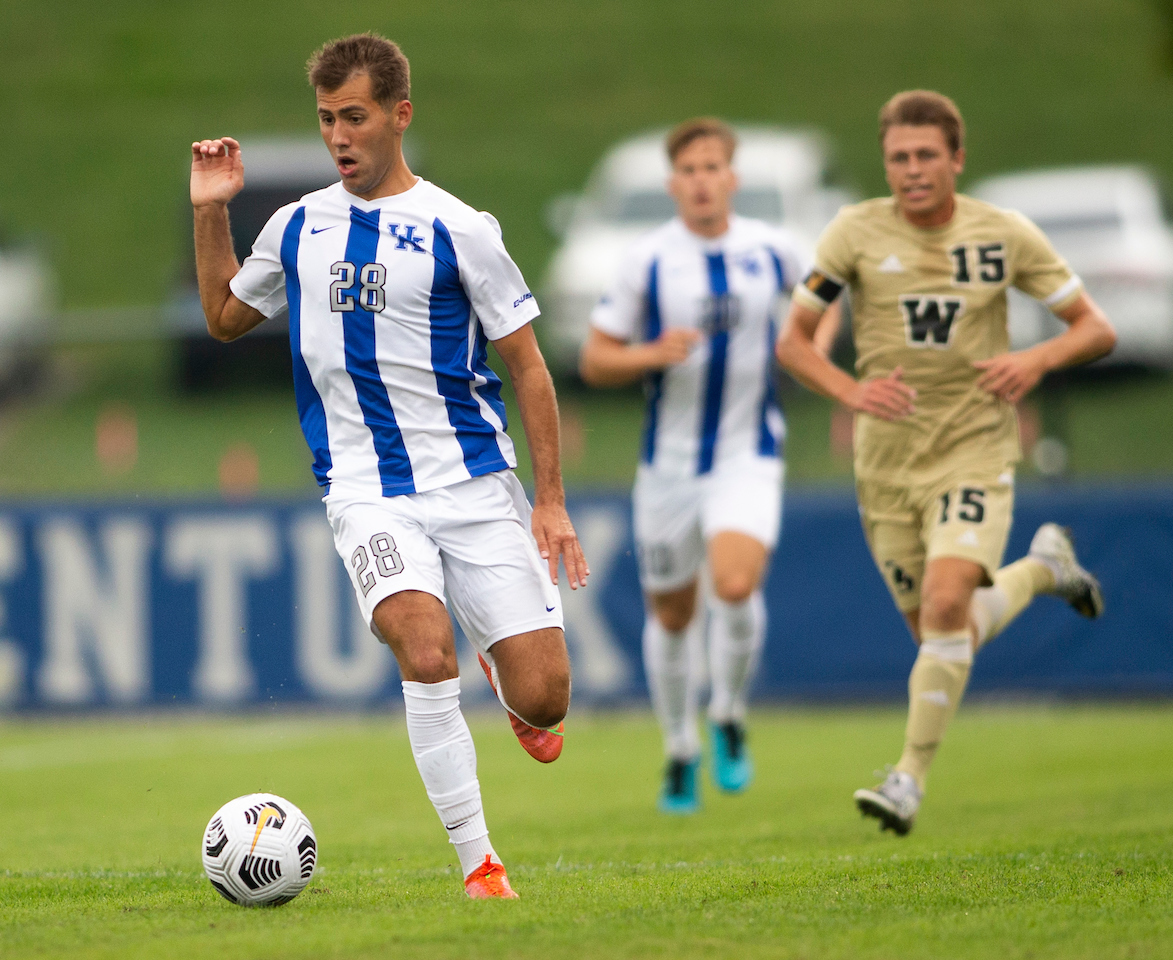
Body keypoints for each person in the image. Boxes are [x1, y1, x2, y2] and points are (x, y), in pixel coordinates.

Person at [190, 33, 589, 898]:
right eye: (328, 118)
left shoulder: (462, 230)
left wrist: (549, 502)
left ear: (399, 116)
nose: (340, 135)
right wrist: (211, 209)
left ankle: (505, 669)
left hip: (475, 483)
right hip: (366, 492)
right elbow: (224, 316)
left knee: (548, 696)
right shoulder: (296, 225)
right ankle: (480, 863)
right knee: (422, 645)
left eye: (356, 117)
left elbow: (528, 366)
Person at [776, 90, 1116, 835]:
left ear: (956, 159)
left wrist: (1036, 359)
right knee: (945, 630)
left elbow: (1095, 329)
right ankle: (1043, 570)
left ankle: (906, 781)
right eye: (899, 157)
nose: (912, 169)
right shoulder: (853, 231)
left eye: (927, 154)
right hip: (887, 466)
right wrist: (851, 392)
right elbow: (794, 342)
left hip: (974, 449)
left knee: (943, 610)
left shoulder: (1005, 234)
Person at [580, 118, 840, 814]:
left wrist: (808, 343)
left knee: (734, 580)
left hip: (747, 452)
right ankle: (678, 747)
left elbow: (828, 302)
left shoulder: (774, 249)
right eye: (687, 170)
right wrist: (649, 353)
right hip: (668, 465)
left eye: (711, 168)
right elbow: (595, 357)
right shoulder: (648, 261)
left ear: (733, 178)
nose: (700, 180)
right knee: (671, 614)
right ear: (674, 184)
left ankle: (726, 711)